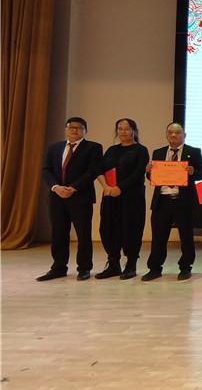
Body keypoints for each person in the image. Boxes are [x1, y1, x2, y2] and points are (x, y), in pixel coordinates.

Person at [38, 117, 103, 281]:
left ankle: (84, 268)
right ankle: (58, 267)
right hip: (57, 197)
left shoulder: (93, 147)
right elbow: (46, 170)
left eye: (79, 127)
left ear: (85, 131)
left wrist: (73, 188)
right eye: (71, 127)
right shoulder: (54, 147)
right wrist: (56, 187)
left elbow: (92, 171)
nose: (74, 130)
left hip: (81, 197)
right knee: (58, 233)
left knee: (83, 234)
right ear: (66, 129)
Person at [142, 122, 202, 281]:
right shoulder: (158, 152)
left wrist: (193, 171)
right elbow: (153, 177)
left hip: (183, 201)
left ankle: (185, 267)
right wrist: (149, 172)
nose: (173, 135)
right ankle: (155, 268)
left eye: (177, 133)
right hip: (162, 200)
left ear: (184, 135)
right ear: (166, 135)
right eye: (170, 132)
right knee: (158, 236)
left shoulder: (193, 152)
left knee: (186, 236)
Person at [95, 118, 149, 280]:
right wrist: (105, 186)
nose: (123, 132)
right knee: (108, 229)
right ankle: (113, 264)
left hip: (131, 198)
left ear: (134, 131)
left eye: (127, 128)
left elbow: (138, 172)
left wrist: (120, 188)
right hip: (110, 196)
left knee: (131, 229)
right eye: (120, 128)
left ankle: (131, 265)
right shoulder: (111, 150)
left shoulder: (140, 150)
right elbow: (99, 169)